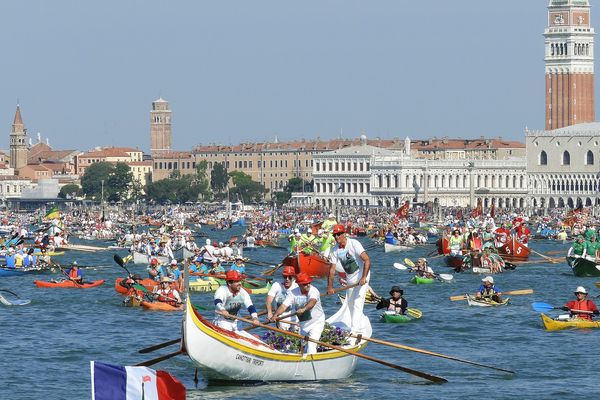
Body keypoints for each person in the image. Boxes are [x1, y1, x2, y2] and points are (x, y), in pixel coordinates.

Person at [327, 224, 371, 334]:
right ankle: (355, 324)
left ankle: (355, 330)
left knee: (357, 302)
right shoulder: (334, 250)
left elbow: (367, 260)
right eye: (334, 235)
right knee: (350, 303)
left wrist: (364, 277)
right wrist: (330, 287)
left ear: (344, 234)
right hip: (350, 280)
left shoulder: (354, 244)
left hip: (362, 275)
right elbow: (332, 270)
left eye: (338, 234)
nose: (336, 237)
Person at [269, 272, 325, 355]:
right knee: (302, 348)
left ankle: (310, 363)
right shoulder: (293, 293)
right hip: (303, 323)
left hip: (316, 322)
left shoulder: (314, 291)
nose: (308, 285)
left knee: (311, 346)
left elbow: (312, 302)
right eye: (305, 284)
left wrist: (304, 309)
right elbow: (284, 306)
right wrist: (275, 315)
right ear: (299, 284)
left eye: (309, 283)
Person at [266, 266, 298, 330]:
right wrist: (269, 313)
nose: (287, 279)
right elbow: (268, 301)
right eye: (285, 276)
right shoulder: (276, 285)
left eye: (290, 277)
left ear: (294, 278)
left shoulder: (297, 286)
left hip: (295, 317)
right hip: (280, 318)